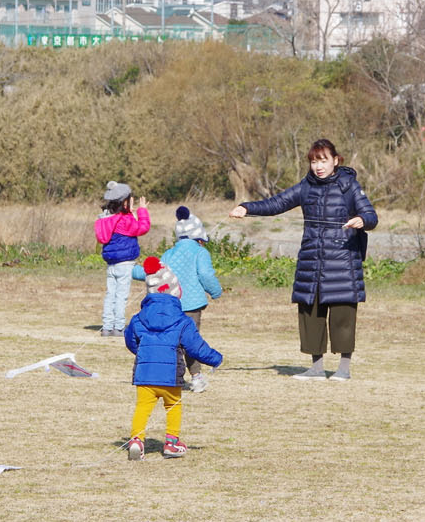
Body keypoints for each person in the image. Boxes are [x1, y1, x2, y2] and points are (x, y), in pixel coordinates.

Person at [229, 138, 378, 381]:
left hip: (342, 261)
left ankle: (343, 369)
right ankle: (316, 368)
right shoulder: (305, 186)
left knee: (343, 315)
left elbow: (370, 214)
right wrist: (247, 208)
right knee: (311, 313)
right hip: (311, 260)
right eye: (313, 161)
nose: (318, 166)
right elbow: (276, 203)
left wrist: (362, 221)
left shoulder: (349, 186)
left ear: (335, 161)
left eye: (323, 160)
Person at [122, 258, 223, 460]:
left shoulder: (138, 318)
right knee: (174, 405)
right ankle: (172, 442)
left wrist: (142, 354)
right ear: (175, 292)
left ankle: (136, 440)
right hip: (170, 377)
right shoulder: (182, 320)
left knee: (142, 408)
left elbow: (130, 339)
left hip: (145, 376)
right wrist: (215, 358)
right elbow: (195, 346)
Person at [132, 206, 223, 392]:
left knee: (173, 343)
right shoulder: (200, 252)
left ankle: (170, 376)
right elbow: (205, 275)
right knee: (191, 341)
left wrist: (130, 270)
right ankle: (196, 377)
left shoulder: (169, 253)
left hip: (171, 305)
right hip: (192, 305)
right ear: (199, 237)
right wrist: (216, 291)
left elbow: (154, 271)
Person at [95, 182, 150, 337]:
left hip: (111, 263)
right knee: (121, 296)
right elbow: (142, 228)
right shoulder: (124, 220)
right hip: (125, 263)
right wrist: (142, 211)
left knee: (110, 294)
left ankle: (106, 327)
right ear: (125, 201)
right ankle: (118, 327)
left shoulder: (106, 218)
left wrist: (130, 212)